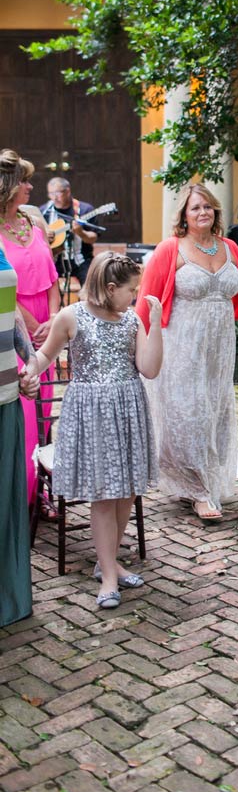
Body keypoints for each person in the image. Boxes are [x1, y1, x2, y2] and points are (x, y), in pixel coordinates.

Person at [135, 183, 238, 523]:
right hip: (180, 346)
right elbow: (145, 302)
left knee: (214, 412)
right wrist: (137, 347)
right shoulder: (170, 250)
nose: (203, 212)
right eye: (195, 208)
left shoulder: (229, 247)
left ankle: (203, 477)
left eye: (208, 207)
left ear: (215, 211)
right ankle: (199, 490)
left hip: (219, 348)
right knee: (189, 413)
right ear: (184, 215)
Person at [24, 252, 163, 609]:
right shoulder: (72, 316)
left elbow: (149, 369)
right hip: (91, 414)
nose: (135, 295)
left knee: (126, 491)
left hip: (128, 409)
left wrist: (157, 322)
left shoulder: (132, 320)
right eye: (131, 289)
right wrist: (29, 371)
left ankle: (108, 563)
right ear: (111, 287)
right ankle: (109, 580)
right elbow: (45, 355)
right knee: (104, 495)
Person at [0, 150, 60, 508]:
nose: (30, 186)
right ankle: (19, 497)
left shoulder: (34, 222)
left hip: (46, 328)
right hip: (13, 326)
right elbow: (3, 285)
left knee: (42, 414)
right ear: (8, 187)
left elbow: (52, 278)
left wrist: (53, 319)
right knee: (20, 414)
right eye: (24, 180)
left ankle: (42, 491)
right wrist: (34, 324)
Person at [0, 248, 40, 628]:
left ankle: (7, 598)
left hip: (5, 393)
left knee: (5, 503)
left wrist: (28, 361)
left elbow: (7, 309)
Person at [40, 177, 99, 287]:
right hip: (53, 259)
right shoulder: (44, 211)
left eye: (58, 192)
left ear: (68, 191)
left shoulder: (85, 209)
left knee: (91, 285)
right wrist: (44, 236)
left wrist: (81, 232)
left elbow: (93, 238)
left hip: (80, 259)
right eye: (51, 193)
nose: (54, 197)